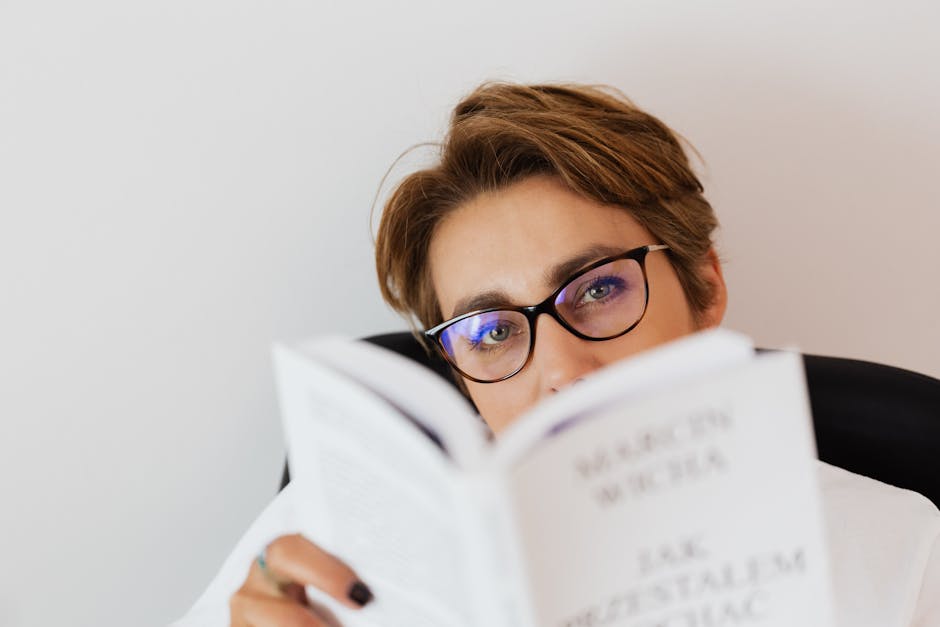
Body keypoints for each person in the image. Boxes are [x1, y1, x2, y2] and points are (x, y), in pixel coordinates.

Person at [173, 82, 940, 627]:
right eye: (492, 332)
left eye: (599, 289)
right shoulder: (334, 519)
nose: (565, 370)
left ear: (704, 288)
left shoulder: (899, 547)